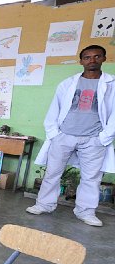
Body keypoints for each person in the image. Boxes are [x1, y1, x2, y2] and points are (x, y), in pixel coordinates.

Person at [27, 45, 115, 227]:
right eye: (87, 57)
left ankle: (86, 211)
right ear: (81, 61)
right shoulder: (67, 84)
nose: (92, 60)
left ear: (104, 58)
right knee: (52, 172)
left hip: (94, 139)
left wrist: (104, 137)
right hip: (64, 135)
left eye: (97, 56)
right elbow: (54, 109)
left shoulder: (111, 84)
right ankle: (44, 204)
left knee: (91, 177)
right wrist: (55, 134)